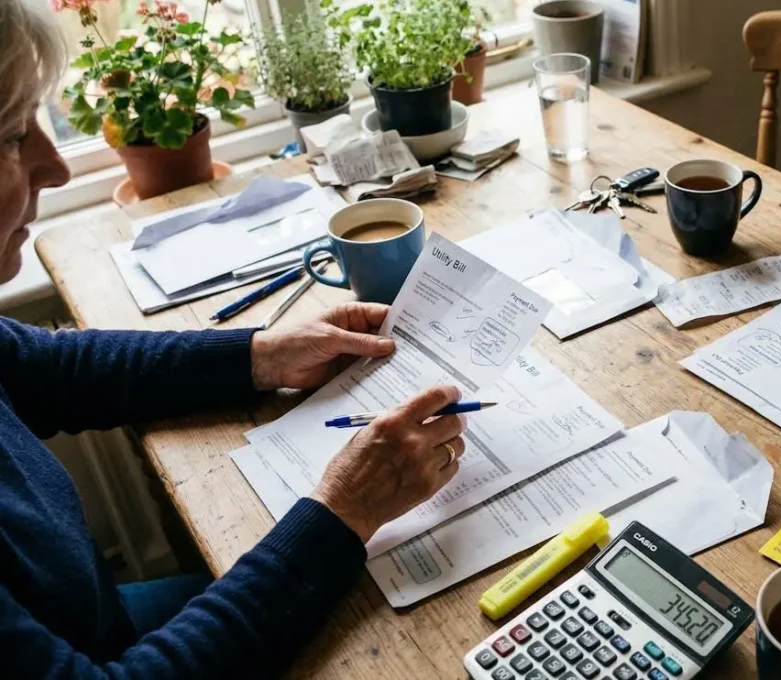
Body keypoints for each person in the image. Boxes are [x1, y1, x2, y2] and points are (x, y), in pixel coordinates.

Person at [0, 0, 467, 676]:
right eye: (14, 137)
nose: (56, 168)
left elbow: (44, 368)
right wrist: (344, 510)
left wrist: (262, 354)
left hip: (102, 622)